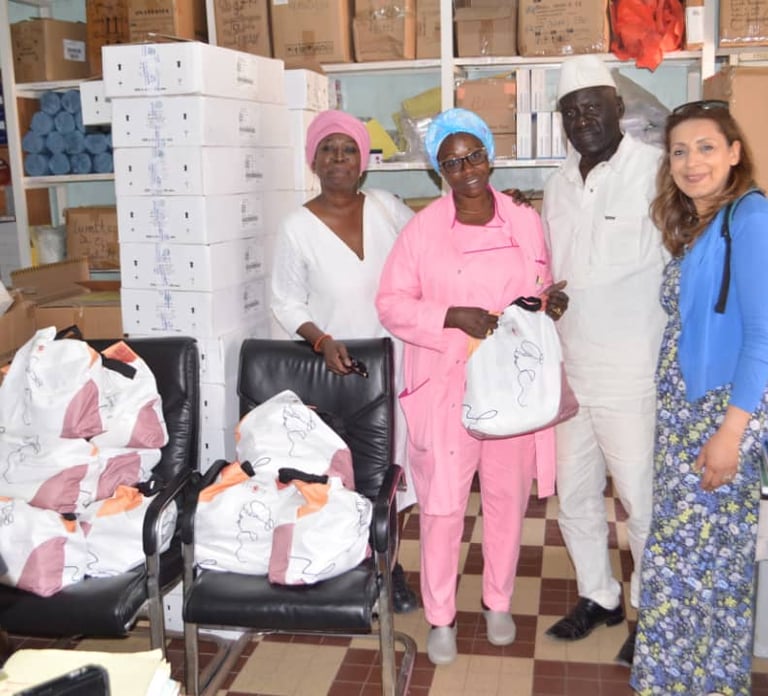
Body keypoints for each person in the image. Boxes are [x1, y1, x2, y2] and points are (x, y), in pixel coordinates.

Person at [375, 107, 569, 666]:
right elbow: (391, 304)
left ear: (490, 155)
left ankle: (498, 601)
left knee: (506, 501)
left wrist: (549, 301)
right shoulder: (422, 230)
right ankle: (440, 616)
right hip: (447, 388)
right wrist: (451, 316)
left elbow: (538, 287)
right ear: (441, 170)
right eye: (452, 162)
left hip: (512, 388)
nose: (467, 170)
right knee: (442, 507)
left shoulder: (523, 220)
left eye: (474, 155)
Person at [630, 101, 768, 695]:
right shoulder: (704, 223)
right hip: (687, 418)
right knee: (686, 571)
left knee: (698, 573)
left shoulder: (751, 217)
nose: (692, 162)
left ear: (735, 152)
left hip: (720, 418)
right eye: (680, 151)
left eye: (706, 147)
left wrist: (730, 434)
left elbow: (764, 335)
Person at [540, 54, 669, 666]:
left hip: (631, 368)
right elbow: (559, 270)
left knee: (640, 501)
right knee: (576, 497)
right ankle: (600, 594)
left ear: (620, 108)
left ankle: (650, 609)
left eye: (593, 105)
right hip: (571, 368)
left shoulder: (656, 172)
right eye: (570, 111)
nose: (582, 118)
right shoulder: (556, 185)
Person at [270, 109, 419, 614]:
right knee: (341, 472)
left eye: (349, 149)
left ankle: (390, 565)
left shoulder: (386, 207)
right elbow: (286, 301)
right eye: (328, 149)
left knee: (389, 471)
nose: (339, 158)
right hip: (337, 368)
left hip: (394, 361)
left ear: (363, 162)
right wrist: (321, 339)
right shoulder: (296, 226)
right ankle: (346, 560)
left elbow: (429, 247)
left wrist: (485, 208)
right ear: (314, 160)